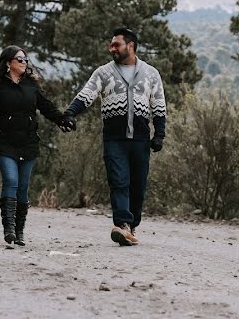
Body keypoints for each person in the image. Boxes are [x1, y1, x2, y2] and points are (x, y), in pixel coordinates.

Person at [63, 27, 166, 246]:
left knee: (138, 186)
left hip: (140, 139)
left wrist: (160, 134)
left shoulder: (150, 73)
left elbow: (158, 105)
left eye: (116, 44)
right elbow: (87, 94)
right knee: (118, 181)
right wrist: (70, 113)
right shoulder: (104, 72)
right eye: (111, 45)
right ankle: (122, 225)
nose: (112, 49)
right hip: (114, 139)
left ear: (131, 46)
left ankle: (132, 226)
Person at [0, 45, 72, 246]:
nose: (24, 63)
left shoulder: (31, 85)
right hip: (4, 143)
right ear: (8, 63)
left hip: (28, 143)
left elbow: (47, 107)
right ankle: (9, 229)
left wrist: (63, 120)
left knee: (23, 187)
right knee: (11, 181)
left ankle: (20, 232)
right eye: (20, 59)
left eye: (25, 60)